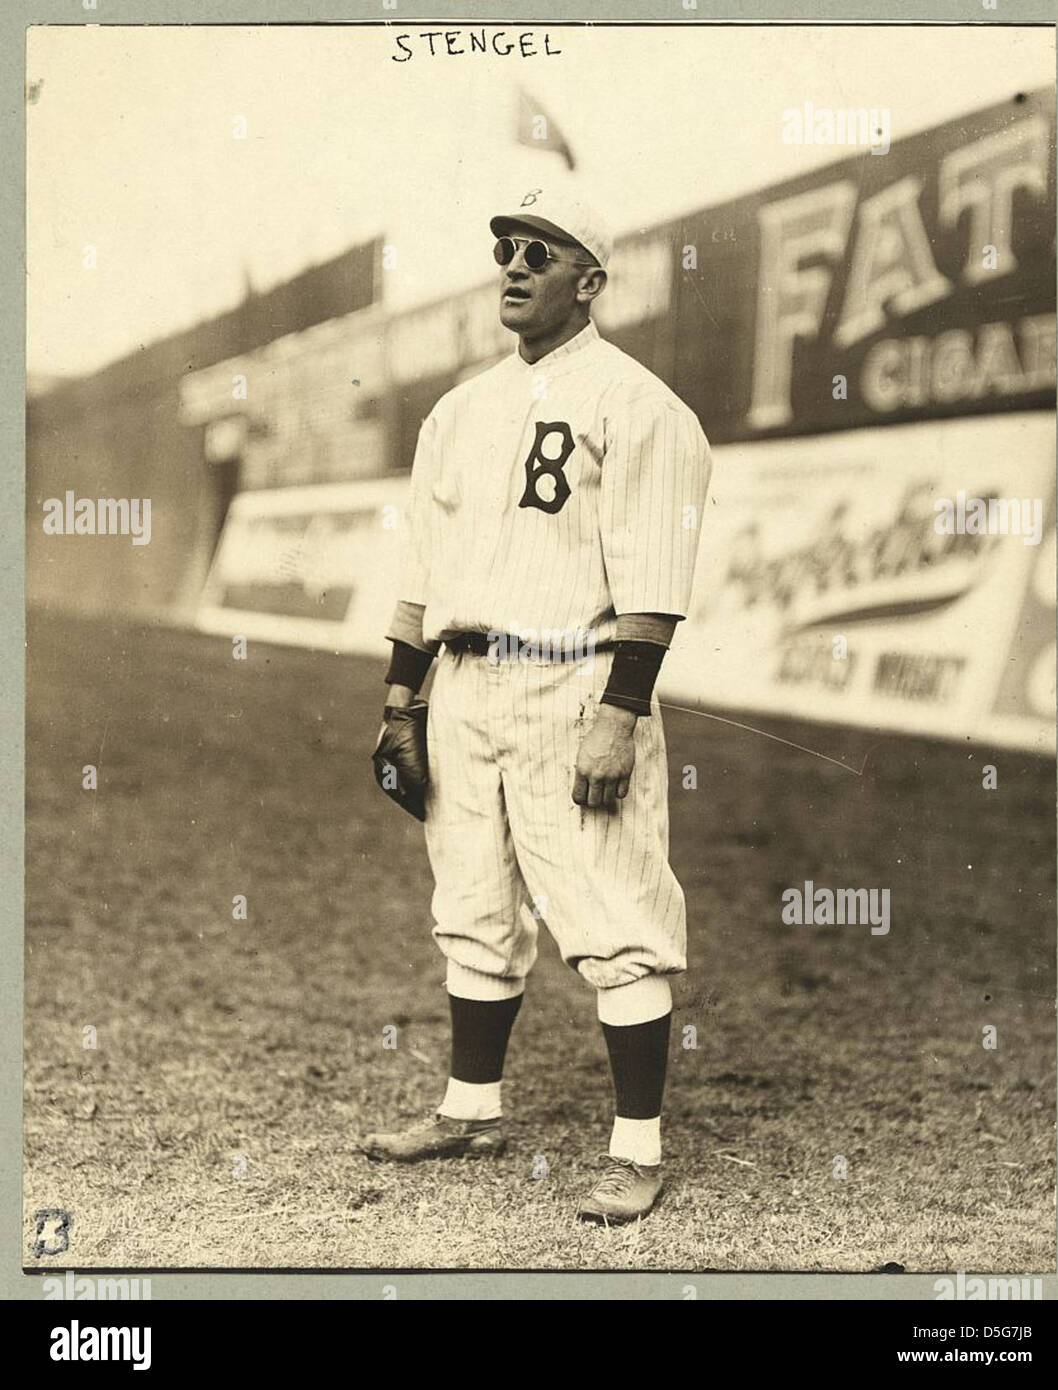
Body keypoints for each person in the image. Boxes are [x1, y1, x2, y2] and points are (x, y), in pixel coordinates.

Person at [362, 184, 713, 1223]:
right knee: (468, 899)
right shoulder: (458, 409)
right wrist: (397, 702)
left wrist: (620, 710)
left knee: (611, 906)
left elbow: (654, 578)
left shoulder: (639, 404)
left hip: (576, 677)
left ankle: (638, 1149)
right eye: (504, 250)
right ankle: (470, 1107)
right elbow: (421, 569)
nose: (512, 267)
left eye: (538, 253)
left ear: (588, 281)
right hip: (463, 681)